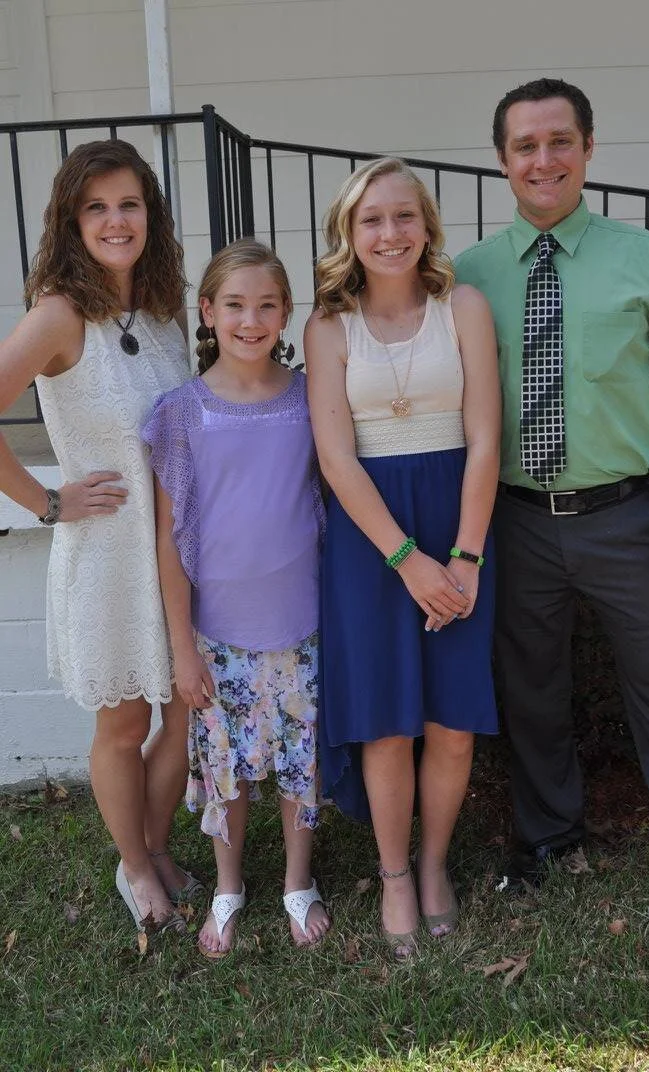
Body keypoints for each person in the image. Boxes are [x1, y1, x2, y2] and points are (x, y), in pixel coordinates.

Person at [454, 77, 649, 894]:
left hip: (626, 517)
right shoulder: (467, 277)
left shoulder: (645, 259)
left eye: (560, 141)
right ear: (502, 160)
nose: (544, 160)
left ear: (589, 148)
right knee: (531, 692)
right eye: (525, 146)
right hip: (516, 521)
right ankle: (548, 840)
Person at [305, 158, 501, 959]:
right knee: (387, 723)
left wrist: (466, 556)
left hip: (459, 523)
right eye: (372, 220)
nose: (390, 233)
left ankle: (432, 865)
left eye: (404, 216)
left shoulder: (464, 307)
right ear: (349, 233)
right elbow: (335, 458)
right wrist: (409, 561)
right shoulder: (328, 327)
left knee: (451, 723)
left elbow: (485, 437)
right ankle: (391, 877)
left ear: (426, 225)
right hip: (371, 541)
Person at [0, 140, 197, 931]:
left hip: (176, 551)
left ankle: (153, 845)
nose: (116, 221)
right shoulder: (59, 314)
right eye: (97, 208)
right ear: (71, 221)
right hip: (108, 557)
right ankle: (135, 867)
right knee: (124, 723)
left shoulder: (161, 311)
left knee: (182, 713)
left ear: (150, 215)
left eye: (129, 205)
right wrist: (47, 501)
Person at [142, 239, 331, 957]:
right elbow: (171, 539)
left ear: (285, 314)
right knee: (225, 766)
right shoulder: (181, 413)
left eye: (266, 306)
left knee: (299, 757)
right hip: (218, 630)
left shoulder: (311, 398)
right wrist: (182, 648)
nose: (250, 321)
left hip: (301, 619)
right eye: (234, 305)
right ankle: (228, 885)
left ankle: (297, 882)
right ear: (207, 311)